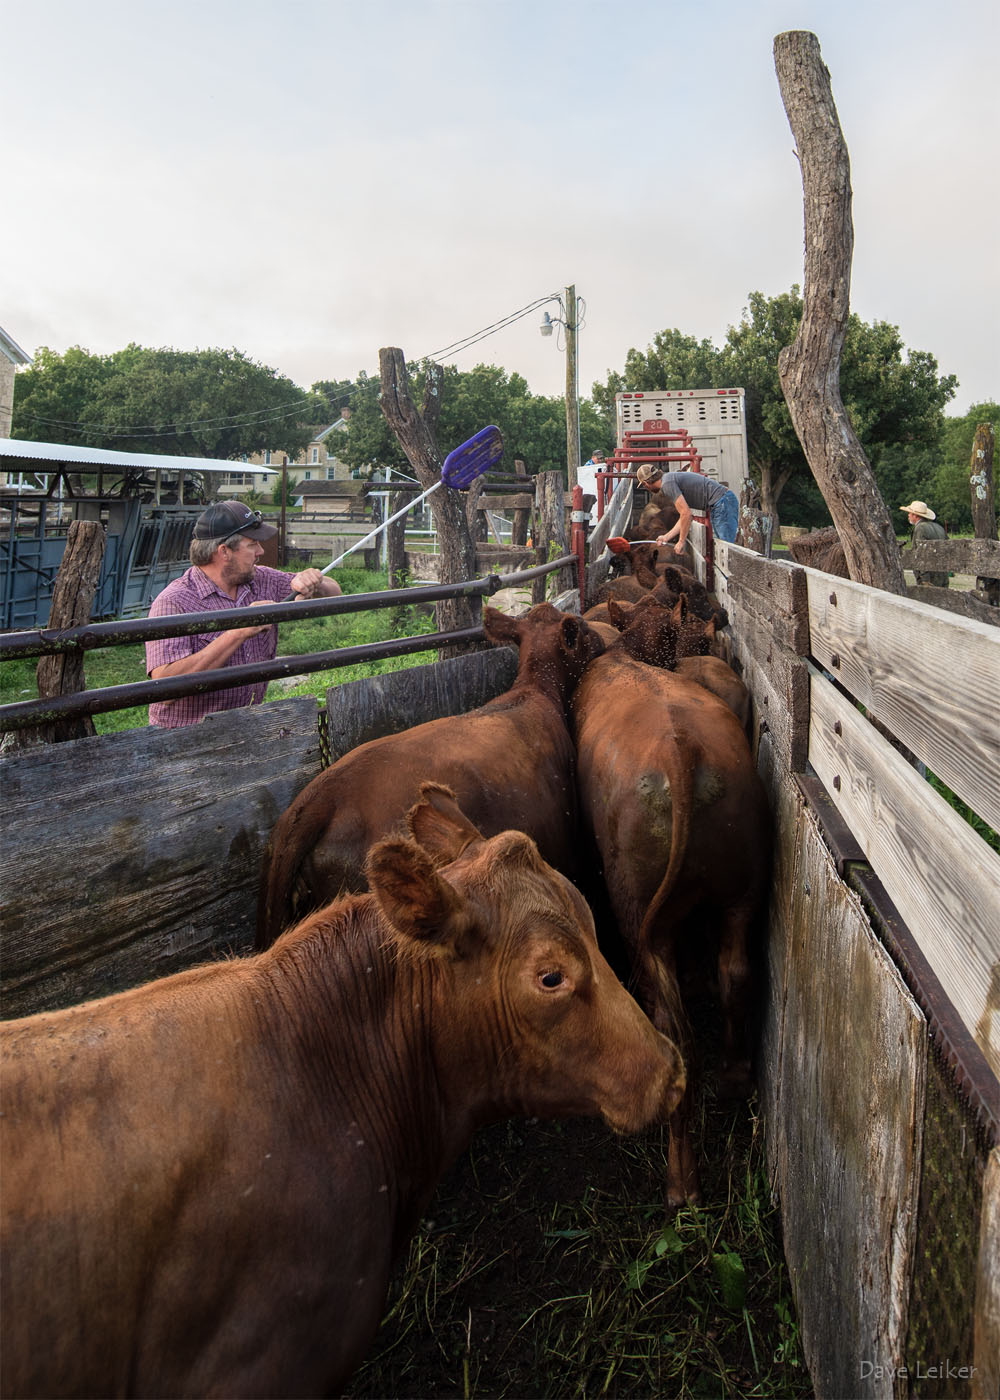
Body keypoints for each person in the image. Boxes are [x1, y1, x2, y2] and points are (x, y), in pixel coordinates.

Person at [145, 499, 342, 729]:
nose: (261, 551)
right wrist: (238, 631)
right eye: (252, 544)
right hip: (185, 737)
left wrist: (313, 581)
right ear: (224, 551)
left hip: (245, 725)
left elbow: (334, 592)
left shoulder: (261, 579)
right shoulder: (174, 602)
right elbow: (164, 689)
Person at [635, 464, 740, 551]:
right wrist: (666, 537)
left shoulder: (667, 484)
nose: (646, 488)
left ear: (646, 483)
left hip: (722, 503)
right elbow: (683, 516)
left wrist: (681, 541)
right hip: (720, 503)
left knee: (727, 549)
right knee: (722, 546)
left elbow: (686, 514)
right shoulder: (668, 480)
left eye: (644, 486)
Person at [900, 500, 948, 586]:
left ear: (915, 515)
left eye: (910, 513)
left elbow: (920, 553)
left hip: (929, 576)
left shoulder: (920, 528)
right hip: (943, 574)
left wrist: (924, 579)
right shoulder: (939, 527)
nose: (908, 515)